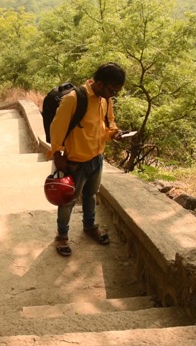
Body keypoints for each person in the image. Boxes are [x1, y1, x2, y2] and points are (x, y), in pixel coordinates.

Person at [48, 62, 128, 257]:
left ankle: (90, 226)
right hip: (75, 162)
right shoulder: (74, 99)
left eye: (117, 91)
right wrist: (57, 155)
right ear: (99, 83)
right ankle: (61, 236)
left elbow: (107, 124)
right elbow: (56, 129)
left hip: (96, 158)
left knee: (91, 195)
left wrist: (114, 134)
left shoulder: (105, 100)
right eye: (112, 90)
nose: (113, 95)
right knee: (67, 201)